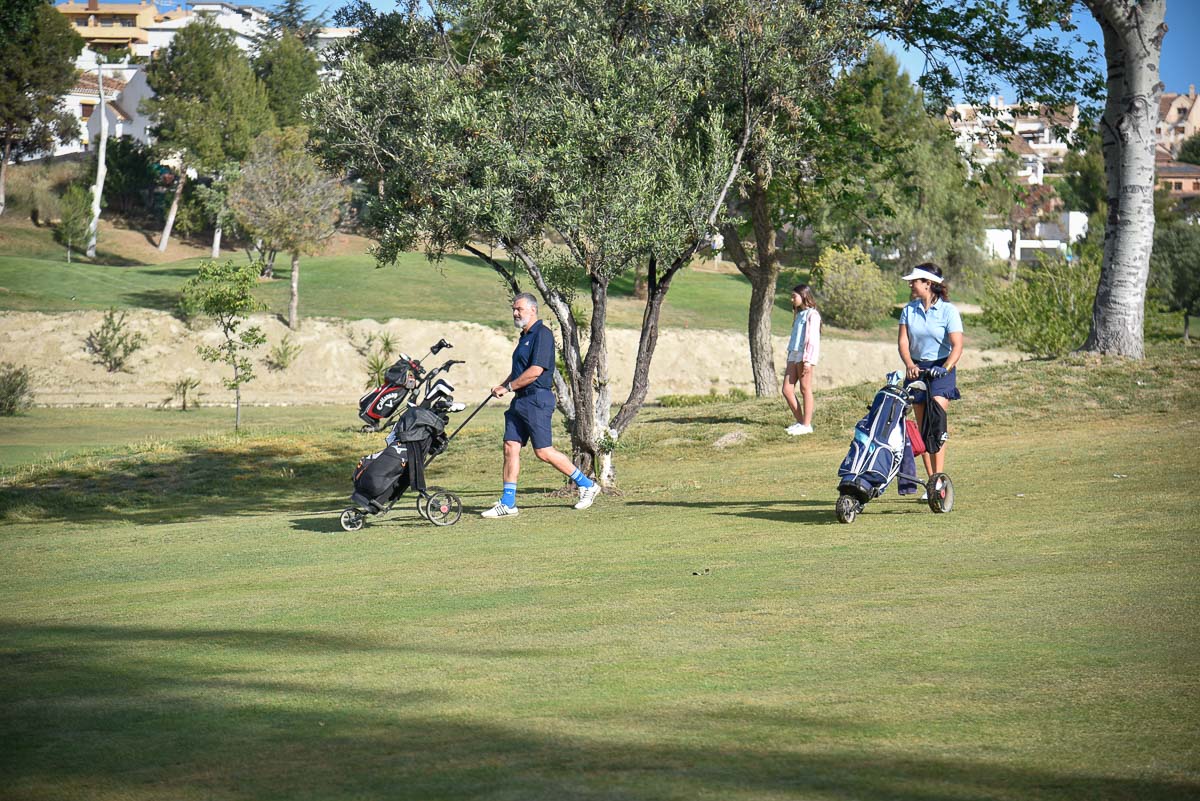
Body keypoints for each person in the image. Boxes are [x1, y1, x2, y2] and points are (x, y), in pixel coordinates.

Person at [481, 292, 601, 518]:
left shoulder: (542, 334)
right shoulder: (523, 336)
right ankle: (508, 503)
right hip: (520, 400)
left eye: (519, 309)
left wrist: (508, 388)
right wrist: (504, 384)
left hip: (537, 399)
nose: (515, 313)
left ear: (533, 310)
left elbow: (536, 371)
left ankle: (587, 485)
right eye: (514, 309)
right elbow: (521, 370)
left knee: (543, 451)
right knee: (510, 446)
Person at [897, 263, 963, 489]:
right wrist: (909, 364)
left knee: (937, 423)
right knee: (923, 427)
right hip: (916, 369)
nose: (911, 284)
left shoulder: (948, 311)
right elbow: (903, 342)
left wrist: (946, 367)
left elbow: (957, 346)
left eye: (915, 281)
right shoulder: (908, 310)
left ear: (929, 284)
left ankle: (939, 480)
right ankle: (931, 482)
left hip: (941, 370)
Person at [782, 284, 821, 435]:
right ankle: (800, 422)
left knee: (805, 389)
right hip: (794, 354)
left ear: (803, 296)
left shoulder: (813, 315)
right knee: (787, 389)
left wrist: (808, 360)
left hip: (805, 356)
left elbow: (812, 339)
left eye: (794, 296)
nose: (792, 299)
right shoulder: (799, 314)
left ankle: (806, 425)